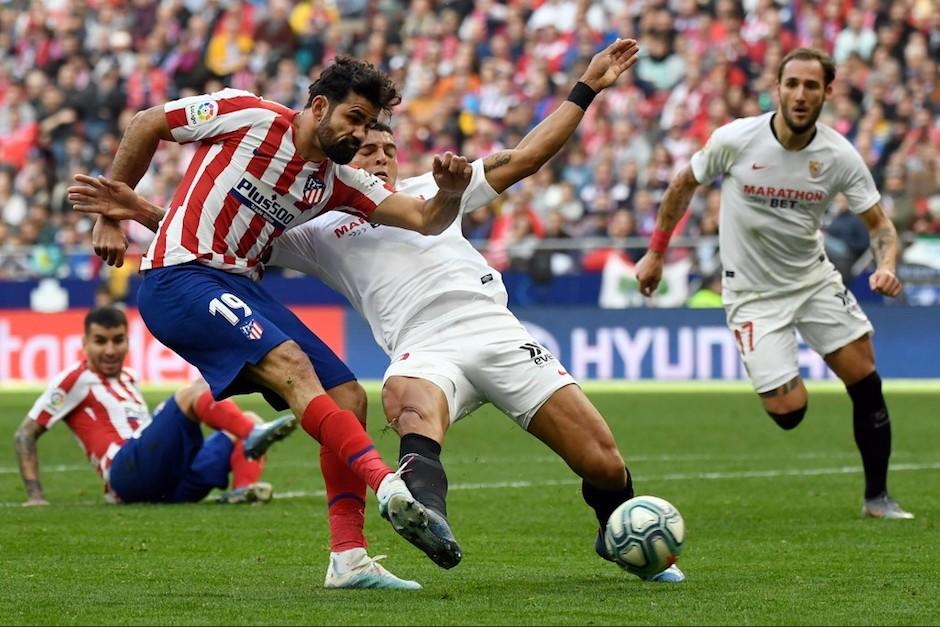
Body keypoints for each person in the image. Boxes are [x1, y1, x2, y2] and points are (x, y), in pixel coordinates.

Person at [72, 39, 685, 583]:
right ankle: (406, 501)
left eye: (381, 139)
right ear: (322, 110)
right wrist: (125, 209)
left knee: (594, 457)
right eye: (360, 133)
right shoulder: (315, 215)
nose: (371, 148)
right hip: (417, 345)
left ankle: (357, 556)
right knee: (390, 403)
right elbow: (214, 222)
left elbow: (498, 174)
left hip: (496, 330)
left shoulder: (394, 192)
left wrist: (579, 93)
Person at [86, 55, 473, 581]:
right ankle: (387, 483)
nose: (360, 134)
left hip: (241, 284)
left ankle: (349, 559)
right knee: (291, 365)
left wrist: (449, 192)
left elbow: (425, 220)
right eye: (354, 119)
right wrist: (110, 214)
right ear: (319, 106)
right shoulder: (245, 114)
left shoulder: (336, 182)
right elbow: (149, 122)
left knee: (348, 397)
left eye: (369, 124)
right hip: (178, 276)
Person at [634, 48, 913, 520]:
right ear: (777, 88)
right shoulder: (737, 139)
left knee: (866, 380)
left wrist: (887, 264)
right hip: (751, 294)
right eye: (792, 84)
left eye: (811, 86)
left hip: (813, 281)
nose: (800, 95)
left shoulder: (839, 155)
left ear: (827, 92)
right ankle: (781, 365)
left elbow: (882, 225)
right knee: (789, 413)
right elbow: (683, 184)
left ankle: (877, 499)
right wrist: (656, 252)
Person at [14, 306, 295, 506]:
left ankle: (243, 490)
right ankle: (252, 434)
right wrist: (35, 496)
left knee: (249, 415)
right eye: (100, 341)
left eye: (117, 340)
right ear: (85, 343)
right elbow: (25, 433)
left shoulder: (128, 379)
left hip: (167, 481)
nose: (110, 349)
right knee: (191, 392)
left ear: (128, 342)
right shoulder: (75, 379)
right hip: (125, 474)